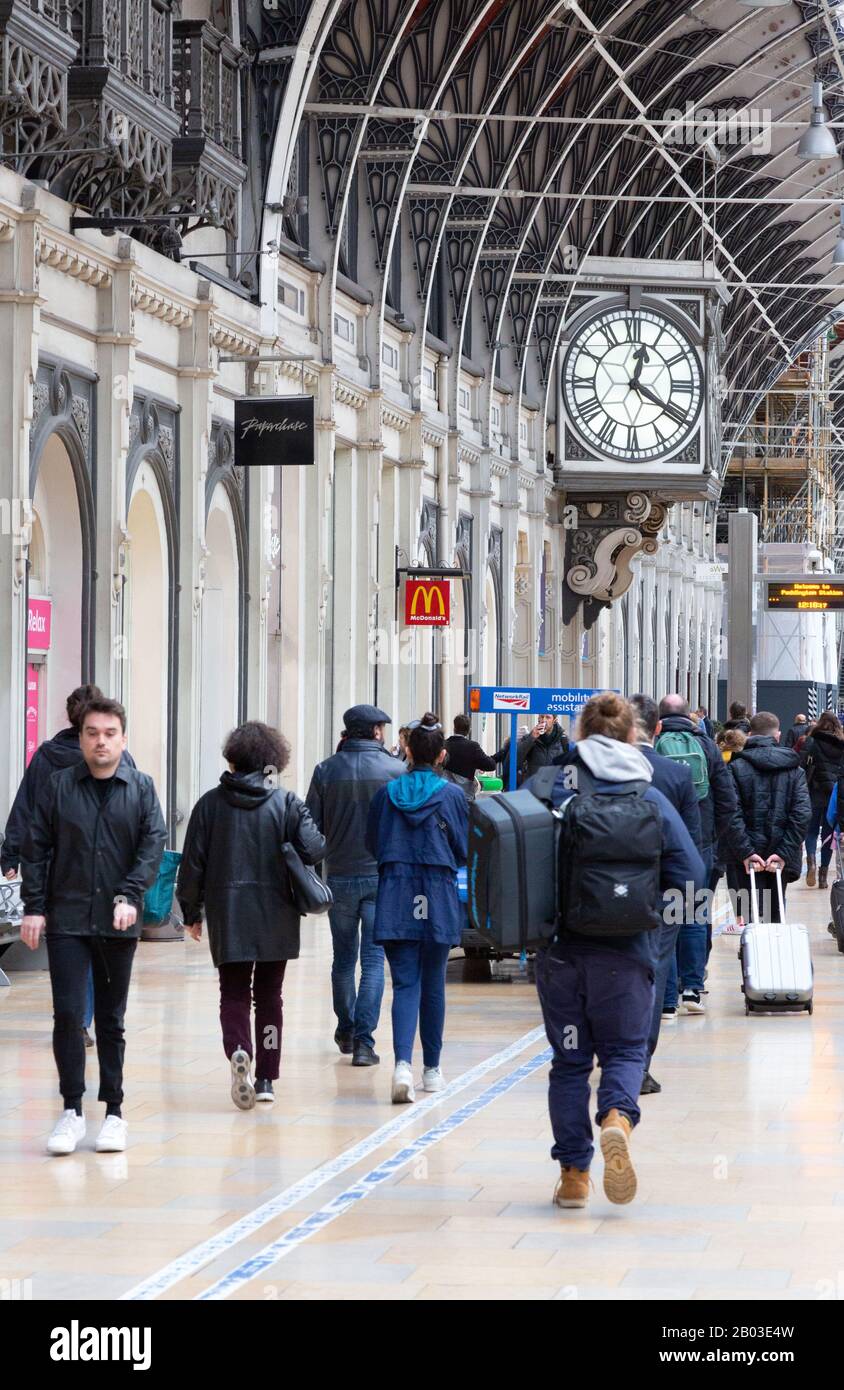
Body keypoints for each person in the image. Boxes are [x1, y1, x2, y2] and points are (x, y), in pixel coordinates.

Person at [526, 694, 703, 1210]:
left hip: (560, 951)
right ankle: (617, 1117)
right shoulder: (650, 794)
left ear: (581, 732)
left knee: (569, 1063)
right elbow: (690, 873)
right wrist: (647, 908)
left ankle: (574, 1176)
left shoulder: (551, 785)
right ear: (633, 734)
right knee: (625, 1051)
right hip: (627, 950)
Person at [19, 698, 166, 1156]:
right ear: (80, 737)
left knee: (110, 1018)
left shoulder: (141, 788)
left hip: (116, 918)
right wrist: (34, 906)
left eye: (109, 733)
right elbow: (37, 845)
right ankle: (70, 1110)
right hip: (66, 916)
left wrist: (130, 895)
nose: (100, 741)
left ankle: (115, 1112)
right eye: (92, 733)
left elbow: (152, 845)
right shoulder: (59, 786)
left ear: (123, 739)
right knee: (66, 1014)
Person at [177, 721, 325, 1108]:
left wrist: (191, 912)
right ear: (273, 761)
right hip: (276, 912)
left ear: (232, 759)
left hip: (228, 913)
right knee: (270, 996)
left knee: (234, 992)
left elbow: (192, 865)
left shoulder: (210, 804)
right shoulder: (286, 801)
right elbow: (315, 849)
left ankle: (239, 1050)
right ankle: (265, 1079)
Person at [2, 683, 137, 1049]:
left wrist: (10, 853)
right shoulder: (118, 757)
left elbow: (25, 806)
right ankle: (81, 1019)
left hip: (52, 871)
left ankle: (72, 1017)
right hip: (103, 871)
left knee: (67, 949)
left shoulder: (46, 756)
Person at [366, 719, 468, 1104]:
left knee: (405, 983)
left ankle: (402, 1066)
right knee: (433, 982)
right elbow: (462, 848)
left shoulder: (386, 794)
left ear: (407, 751)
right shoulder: (453, 795)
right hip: (437, 892)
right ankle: (433, 1070)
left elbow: (373, 842)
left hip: (396, 890)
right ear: (442, 755)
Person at [306, 704, 405, 1066]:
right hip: (382, 876)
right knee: (374, 961)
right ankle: (365, 1043)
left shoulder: (325, 771)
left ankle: (346, 1029)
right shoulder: (395, 770)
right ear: (376, 732)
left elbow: (309, 829)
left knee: (343, 960)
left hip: (340, 876)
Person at [629, 694, 702, 1096]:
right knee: (652, 975)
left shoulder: (587, 771)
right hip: (660, 895)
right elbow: (691, 844)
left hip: (600, 892)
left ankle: (610, 1054)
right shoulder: (676, 775)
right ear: (657, 728)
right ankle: (638, 1064)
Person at [656, 695, 745, 1013]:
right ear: (690, 716)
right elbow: (727, 800)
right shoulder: (706, 745)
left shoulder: (653, 744)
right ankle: (692, 989)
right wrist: (712, 837)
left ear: (660, 717)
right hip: (700, 844)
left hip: (661, 845)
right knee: (695, 914)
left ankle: (666, 1002)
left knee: (665, 917)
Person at [723, 711, 811, 924]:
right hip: (780, 851)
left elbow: (730, 813)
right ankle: (774, 949)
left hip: (745, 856)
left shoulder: (735, 767)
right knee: (776, 908)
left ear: (750, 734)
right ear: (778, 735)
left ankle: (750, 953)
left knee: (748, 911)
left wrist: (746, 852)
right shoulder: (795, 770)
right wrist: (783, 853)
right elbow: (801, 814)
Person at [798, 711, 844, 889]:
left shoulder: (813, 741)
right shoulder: (841, 744)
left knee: (811, 831)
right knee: (828, 835)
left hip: (814, 792)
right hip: (835, 794)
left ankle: (811, 862)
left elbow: (803, 764)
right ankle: (823, 875)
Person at [493, 714, 569, 786]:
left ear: (554, 720)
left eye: (548, 717)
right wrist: (531, 738)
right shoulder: (530, 738)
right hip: (534, 788)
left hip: (555, 787)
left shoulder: (563, 740)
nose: (544, 720)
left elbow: (571, 767)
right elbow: (513, 762)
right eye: (541, 717)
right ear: (538, 718)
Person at [444, 714, 497, 781]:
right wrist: (477, 764)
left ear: (454, 728)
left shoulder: (443, 744)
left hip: (445, 788)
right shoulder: (473, 747)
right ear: (469, 730)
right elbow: (491, 765)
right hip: (465, 789)